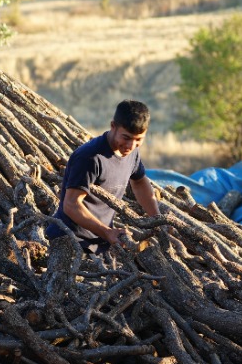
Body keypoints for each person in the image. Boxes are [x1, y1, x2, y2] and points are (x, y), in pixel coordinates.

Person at [50, 100, 161, 253]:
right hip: (69, 241)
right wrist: (107, 232)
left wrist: (157, 220)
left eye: (138, 139)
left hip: (98, 244)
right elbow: (71, 205)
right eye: (126, 137)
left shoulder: (132, 153)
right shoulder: (90, 157)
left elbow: (140, 182)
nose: (131, 145)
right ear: (113, 126)